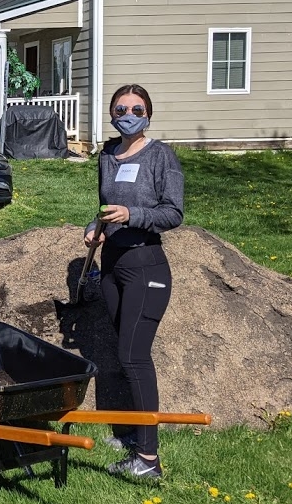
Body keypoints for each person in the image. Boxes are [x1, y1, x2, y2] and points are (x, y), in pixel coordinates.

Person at [83, 84, 184, 480]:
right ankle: (131, 432)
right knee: (123, 353)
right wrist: (96, 228)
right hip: (112, 266)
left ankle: (147, 459)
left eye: (136, 108)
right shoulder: (108, 154)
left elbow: (173, 213)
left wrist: (132, 215)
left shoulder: (162, 156)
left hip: (146, 264)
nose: (128, 114)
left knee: (134, 357)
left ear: (148, 114)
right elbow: (105, 207)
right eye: (121, 107)